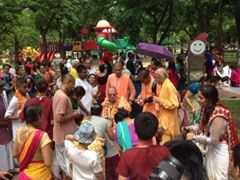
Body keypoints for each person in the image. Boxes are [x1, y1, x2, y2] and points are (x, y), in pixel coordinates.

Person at [184, 85, 239, 179]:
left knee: (218, 176)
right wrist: (188, 128)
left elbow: (214, 140)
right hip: (210, 149)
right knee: (210, 175)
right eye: (197, 96)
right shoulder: (206, 108)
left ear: (209, 99)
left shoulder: (219, 115)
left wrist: (194, 137)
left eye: (201, 97)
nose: (197, 99)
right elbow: (200, 127)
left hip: (219, 151)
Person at [116, 112, 170, 179]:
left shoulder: (127, 155)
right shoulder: (164, 151)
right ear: (155, 132)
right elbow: (169, 175)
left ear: (134, 130)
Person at [12, 104, 52, 179]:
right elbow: (48, 162)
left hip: (24, 174)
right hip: (40, 175)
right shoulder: (42, 135)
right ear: (39, 117)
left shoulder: (19, 132)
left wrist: (24, 162)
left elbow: (14, 153)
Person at [52, 74, 80, 179]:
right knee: (67, 164)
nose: (73, 88)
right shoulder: (63, 97)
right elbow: (59, 118)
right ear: (68, 83)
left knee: (64, 163)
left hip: (63, 134)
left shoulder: (58, 93)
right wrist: (74, 115)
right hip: (64, 136)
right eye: (72, 85)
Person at [20, 79, 54, 148]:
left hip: (31, 135)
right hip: (47, 135)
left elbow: (21, 118)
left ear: (35, 88)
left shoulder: (29, 101)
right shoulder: (50, 102)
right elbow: (52, 122)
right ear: (47, 88)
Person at [153, 68, 180, 144]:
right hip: (164, 118)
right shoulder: (164, 85)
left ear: (160, 77)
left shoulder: (168, 86)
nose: (155, 80)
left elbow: (174, 104)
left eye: (155, 77)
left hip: (168, 120)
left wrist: (159, 100)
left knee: (166, 144)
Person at [0, 80, 14, 171]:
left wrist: (9, 123)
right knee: (2, 151)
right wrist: (6, 124)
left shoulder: (2, 96)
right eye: (1, 86)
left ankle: (10, 168)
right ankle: (4, 170)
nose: (2, 88)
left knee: (8, 147)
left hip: (6, 127)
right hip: (2, 128)